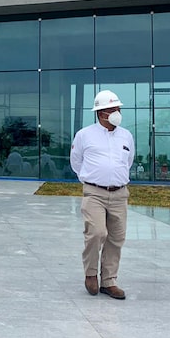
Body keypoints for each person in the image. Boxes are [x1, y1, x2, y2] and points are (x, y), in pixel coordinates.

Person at [70, 89, 134, 300]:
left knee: (116, 238)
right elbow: (76, 162)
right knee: (97, 233)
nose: (116, 112)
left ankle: (109, 281)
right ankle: (90, 274)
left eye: (117, 108)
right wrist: (91, 180)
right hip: (94, 193)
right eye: (111, 109)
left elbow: (129, 161)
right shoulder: (84, 135)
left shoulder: (126, 136)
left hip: (120, 193)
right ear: (100, 113)